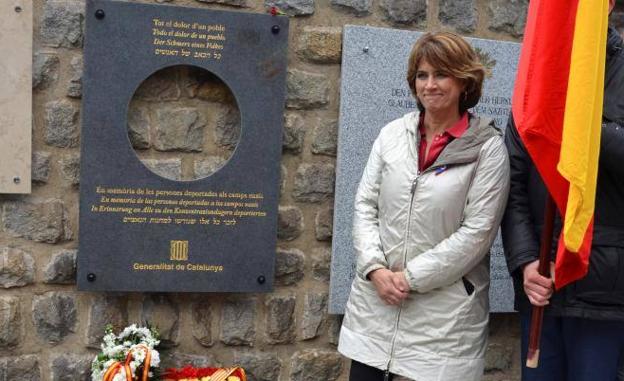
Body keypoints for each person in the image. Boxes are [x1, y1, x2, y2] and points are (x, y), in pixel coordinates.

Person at [337, 32, 510, 381]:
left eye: (441, 74)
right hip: (376, 307)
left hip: (442, 323)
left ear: (464, 81)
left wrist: (408, 279)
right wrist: (375, 269)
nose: (430, 85)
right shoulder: (392, 135)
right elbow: (365, 205)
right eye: (422, 75)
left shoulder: (487, 150)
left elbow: (477, 233)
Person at [501, 1, 624, 380]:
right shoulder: (538, 80)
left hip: (603, 288)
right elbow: (513, 183)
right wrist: (525, 262)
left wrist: (584, 125)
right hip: (543, 284)